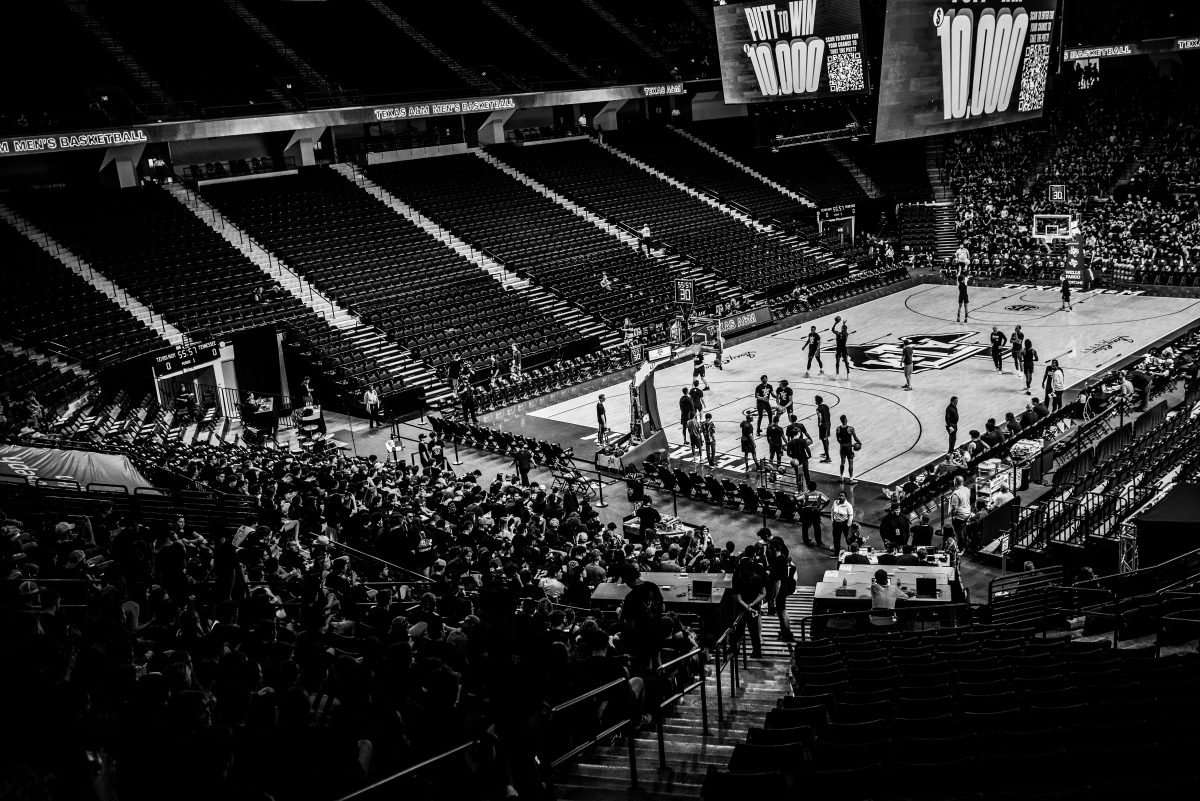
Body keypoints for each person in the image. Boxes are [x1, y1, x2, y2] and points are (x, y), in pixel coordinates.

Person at [731, 557, 766, 658]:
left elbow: (737, 598)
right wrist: (753, 604)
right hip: (754, 608)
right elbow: (763, 593)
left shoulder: (739, 580)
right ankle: (757, 652)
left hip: (741, 609)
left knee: (738, 631)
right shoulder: (757, 578)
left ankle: (735, 651)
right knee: (754, 632)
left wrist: (747, 607)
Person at [835, 414, 862, 484]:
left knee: (842, 463)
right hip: (849, 447)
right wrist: (860, 443)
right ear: (846, 420)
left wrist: (842, 443)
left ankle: (841, 477)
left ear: (841, 421)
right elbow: (855, 438)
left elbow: (838, 439)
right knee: (850, 463)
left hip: (842, 447)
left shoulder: (838, 428)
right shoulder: (851, 428)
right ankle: (851, 479)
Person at [800, 480, 828, 547]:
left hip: (807, 512)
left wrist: (801, 506)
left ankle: (806, 541)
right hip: (816, 512)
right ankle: (819, 542)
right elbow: (827, 500)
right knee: (817, 527)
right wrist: (821, 507)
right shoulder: (819, 494)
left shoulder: (805, 494)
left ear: (808, 487)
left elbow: (796, 498)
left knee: (805, 527)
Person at [948, 475, 974, 547]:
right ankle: (965, 544)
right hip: (967, 513)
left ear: (955, 482)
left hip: (959, 516)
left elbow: (954, 508)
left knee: (959, 533)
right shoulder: (967, 489)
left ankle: (961, 548)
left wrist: (952, 516)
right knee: (964, 530)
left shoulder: (956, 494)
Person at [815, 395, 832, 463]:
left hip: (823, 425)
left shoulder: (818, 408)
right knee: (826, 438)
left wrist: (819, 423)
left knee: (824, 440)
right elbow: (829, 414)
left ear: (817, 402)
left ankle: (828, 458)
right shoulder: (826, 406)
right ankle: (826, 452)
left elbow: (820, 416)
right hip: (828, 424)